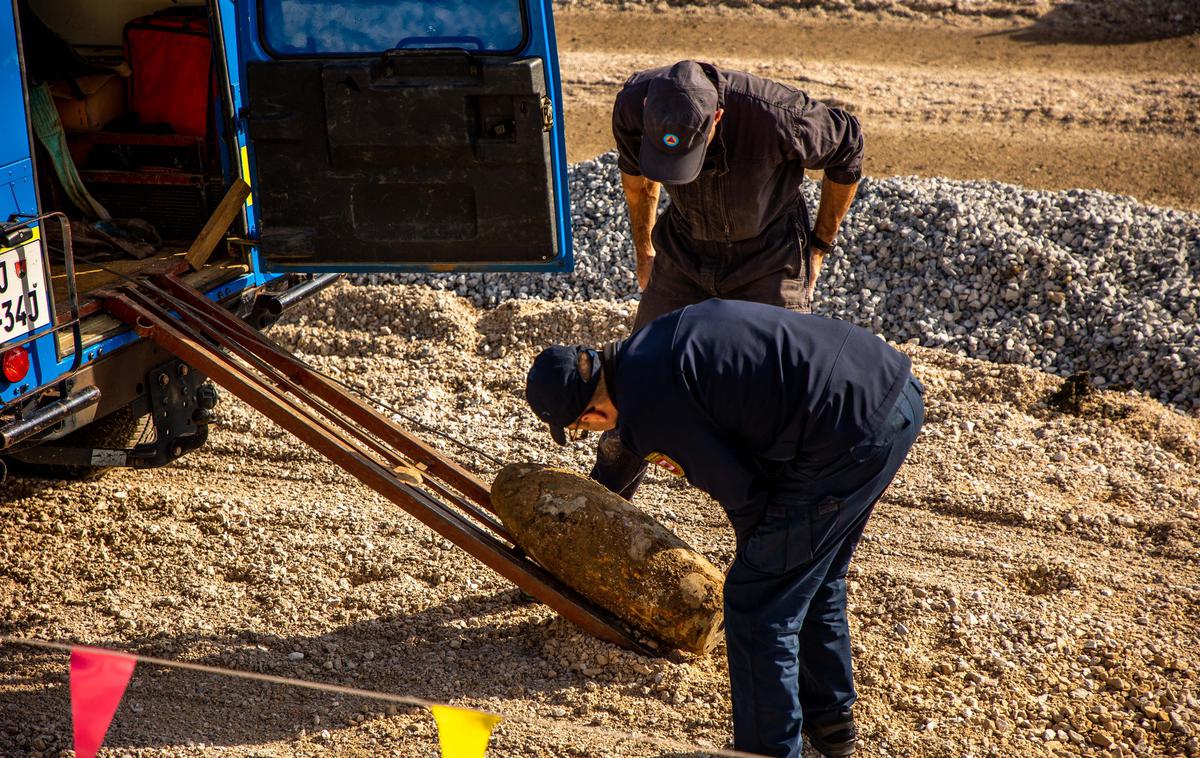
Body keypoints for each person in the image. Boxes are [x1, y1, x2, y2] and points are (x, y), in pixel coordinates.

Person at [525, 299, 924, 758]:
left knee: (756, 603)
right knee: (814, 571)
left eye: (580, 430)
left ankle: (767, 751)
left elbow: (746, 496)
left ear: (589, 417)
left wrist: (760, 563)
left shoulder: (649, 410)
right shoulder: (654, 340)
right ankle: (832, 725)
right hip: (893, 390)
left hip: (845, 434)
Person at [595, 59, 864, 501]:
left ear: (716, 117)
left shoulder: (777, 114)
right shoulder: (631, 105)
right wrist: (644, 247)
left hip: (768, 256)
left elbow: (848, 145)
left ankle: (783, 529)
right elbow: (637, 181)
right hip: (683, 248)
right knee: (638, 375)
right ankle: (604, 502)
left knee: (780, 391)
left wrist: (819, 245)